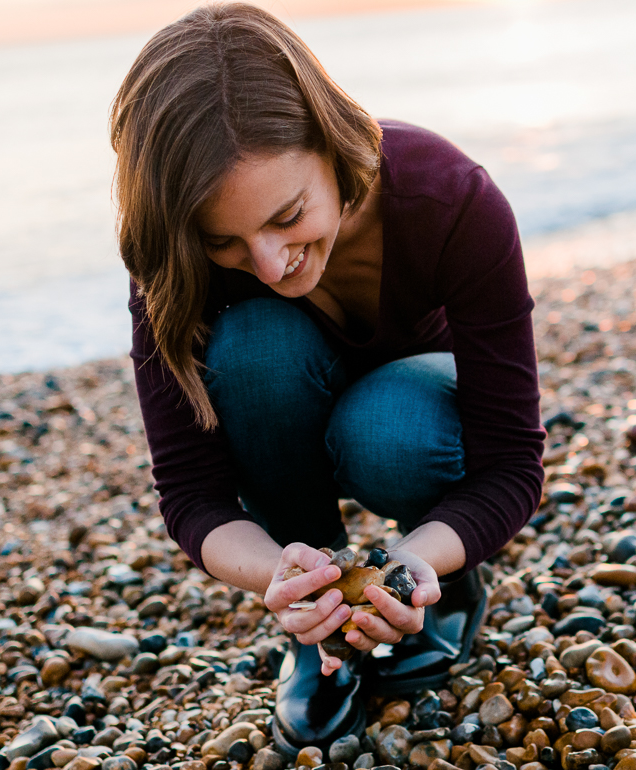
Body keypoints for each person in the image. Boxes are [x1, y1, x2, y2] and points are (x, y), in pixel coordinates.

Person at [110, 2, 545, 756]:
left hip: (420, 426)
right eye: (227, 241)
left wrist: (420, 561)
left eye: (288, 215)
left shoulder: (450, 198)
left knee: (383, 428)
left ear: (330, 137)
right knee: (252, 347)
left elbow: (513, 461)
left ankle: (451, 579)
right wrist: (281, 575)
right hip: (284, 449)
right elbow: (191, 492)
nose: (273, 263)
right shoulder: (171, 259)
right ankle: (320, 629)